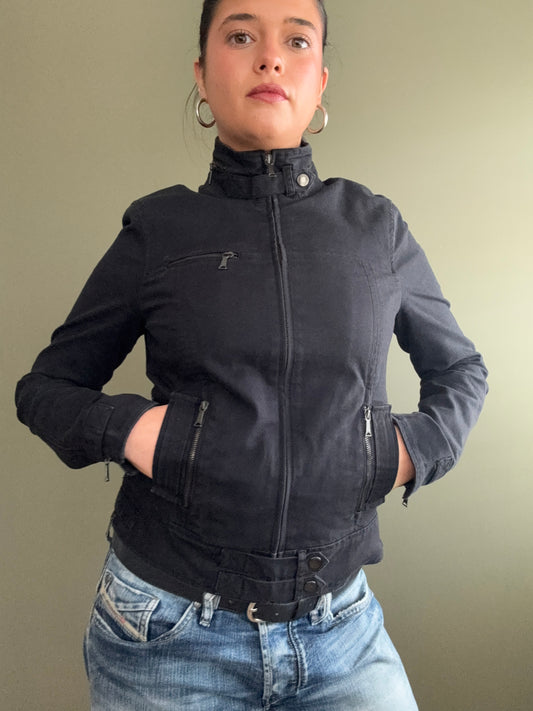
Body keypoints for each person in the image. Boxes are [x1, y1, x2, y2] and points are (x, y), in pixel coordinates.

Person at [15, 0, 488, 709]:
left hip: (342, 630)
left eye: (296, 41)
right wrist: (139, 432)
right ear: (202, 75)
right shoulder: (159, 228)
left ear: (319, 81)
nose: (270, 57)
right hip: (167, 632)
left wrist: (403, 452)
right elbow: (46, 387)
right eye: (241, 35)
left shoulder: (374, 228)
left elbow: (460, 371)